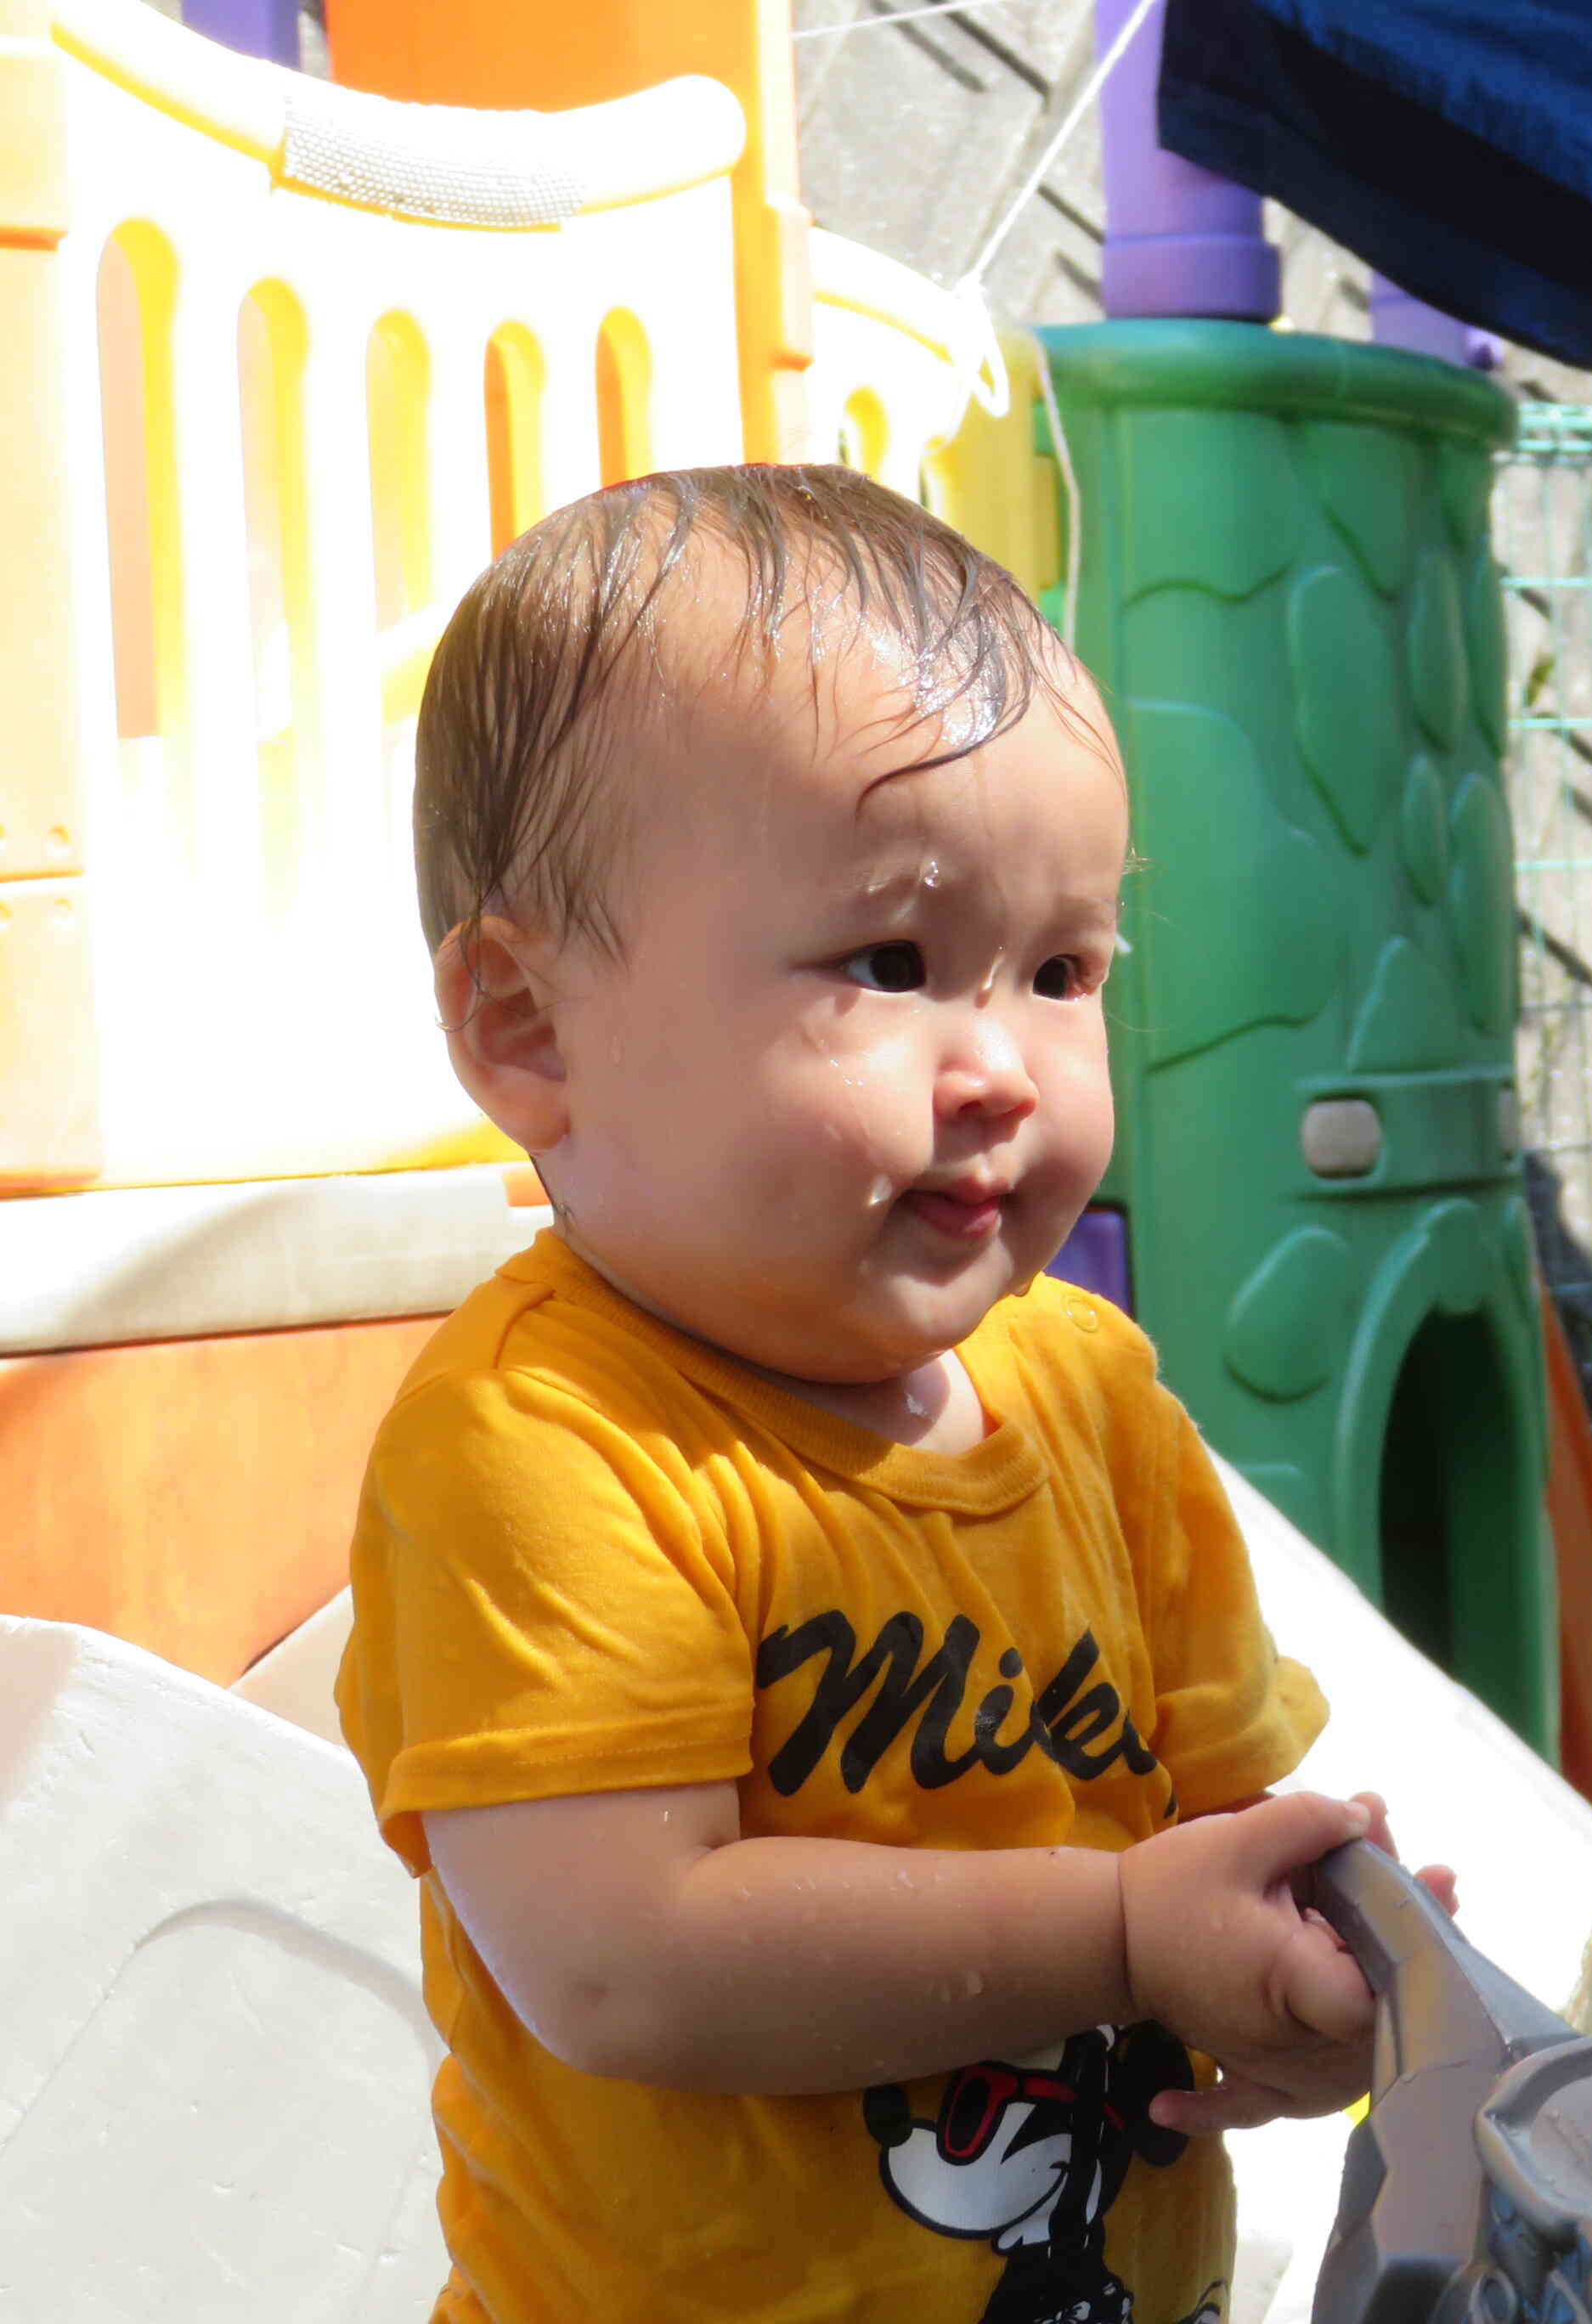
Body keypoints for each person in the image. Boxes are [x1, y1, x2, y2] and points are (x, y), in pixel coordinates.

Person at [336, 464, 1420, 2324]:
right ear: (529, 1027)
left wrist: (1312, 1985)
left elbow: (1220, 1839)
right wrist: (1121, 1932)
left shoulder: (1090, 1401)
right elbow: (629, 1961)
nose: (1003, 1060)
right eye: (892, 963)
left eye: (1065, 967)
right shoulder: (546, 1450)